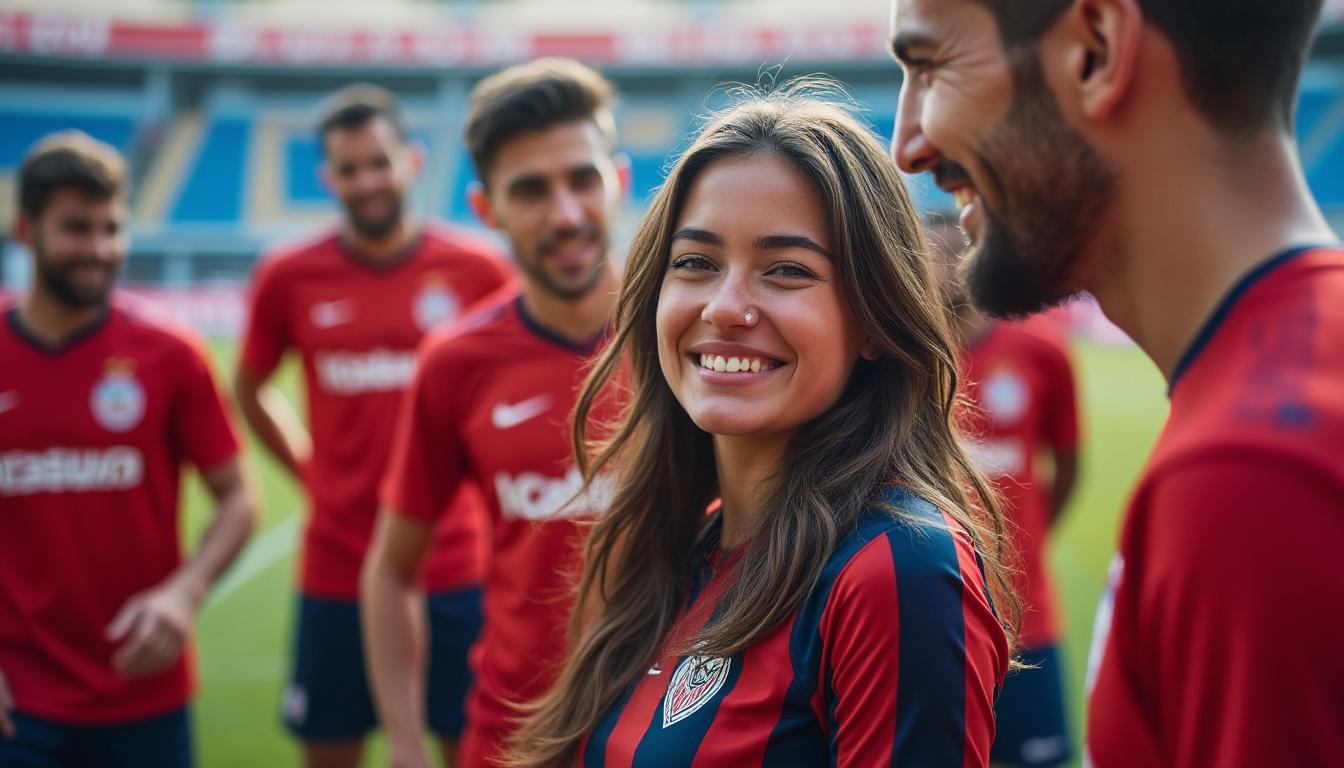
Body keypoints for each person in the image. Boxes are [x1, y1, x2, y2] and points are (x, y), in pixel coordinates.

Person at [890, 1, 1344, 765]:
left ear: (1095, 50)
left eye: (931, 66)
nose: (909, 144)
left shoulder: (1252, 477)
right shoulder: (1273, 405)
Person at [507, 86, 1016, 768]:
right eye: (695, 262)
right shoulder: (683, 542)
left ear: (871, 319)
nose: (726, 306)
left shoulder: (898, 568)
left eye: (786, 270)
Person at [233, 84, 511, 768]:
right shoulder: (288, 275)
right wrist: (306, 467)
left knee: (471, 750)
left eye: (379, 162)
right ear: (328, 177)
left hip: (458, 560)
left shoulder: (477, 269)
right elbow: (249, 387)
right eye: (349, 168)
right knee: (332, 750)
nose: (367, 180)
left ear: (412, 161)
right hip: (340, 560)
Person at [363, 58, 626, 768]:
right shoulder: (456, 362)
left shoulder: (692, 335)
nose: (566, 214)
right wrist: (407, 742)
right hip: (517, 735)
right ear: (488, 211)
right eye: (531, 190)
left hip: (682, 730)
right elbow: (391, 571)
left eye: (583, 179)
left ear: (619, 181)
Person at [0, 131, 256, 767]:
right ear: (26, 229)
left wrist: (186, 591)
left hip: (145, 689)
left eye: (113, 229)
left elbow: (240, 496)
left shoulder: (171, 353)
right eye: (77, 229)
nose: (100, 250)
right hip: (18, 701)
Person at [929, 218, 1081, 768]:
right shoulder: (900, 363)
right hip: (933, 613)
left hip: (1028, 615)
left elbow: (1066, 468)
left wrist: (1028, 539)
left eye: (954, 254)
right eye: (931, 257)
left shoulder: (1043, 353)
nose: (943, 269)